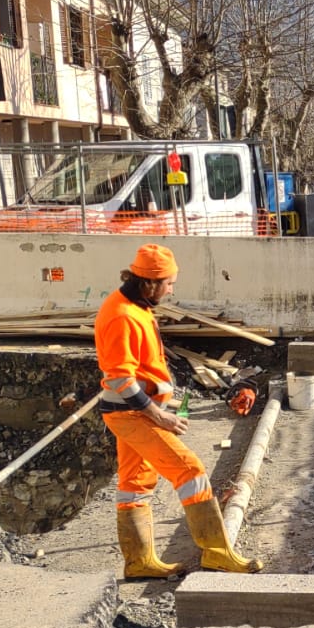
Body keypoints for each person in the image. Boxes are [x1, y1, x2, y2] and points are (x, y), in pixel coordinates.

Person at [93, 244, 261, 579]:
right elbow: (121, 379)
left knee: (134, 483)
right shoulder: (122, 315)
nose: (172, 289)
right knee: (191, 470)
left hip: (134, 411)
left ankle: (139, 561)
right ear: (150, 283)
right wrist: (161, 416)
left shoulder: (134, 307)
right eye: (168, 283)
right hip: (131, 413)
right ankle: (217, 553)